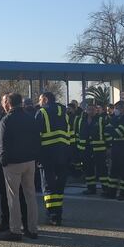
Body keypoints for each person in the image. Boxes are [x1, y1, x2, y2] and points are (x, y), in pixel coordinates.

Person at [0, 93, 40, 242]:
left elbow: (3, 142)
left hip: (13, 163)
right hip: (30, 161)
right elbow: (37, 139)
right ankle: (32, 229)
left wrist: (3, 159)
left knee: (13, 197)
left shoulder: (6, 120)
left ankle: (15, 230)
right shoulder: (30, 118)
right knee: (31, 196)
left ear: (8, 104)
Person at [35, 92, 70, 226]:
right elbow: (70, 134)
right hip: (63, 154)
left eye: (39, 99)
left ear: (45, 99)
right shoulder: (64, 113)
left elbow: (36, 136)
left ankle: (52, 215)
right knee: (59, 186)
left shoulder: (42, 112)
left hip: (47, 155)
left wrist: (36, 156)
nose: (39, 102)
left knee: (48, 186)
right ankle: (58, 213)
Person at [78, 104, 110, 197]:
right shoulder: (81, 120)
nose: (90, 111)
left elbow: (106, 133)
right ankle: (91, 188)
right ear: (86, 110)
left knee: (102, 170)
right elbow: (78, 134)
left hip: (99, 149)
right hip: (86, 149)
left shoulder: (101, 120)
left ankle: (106, 189)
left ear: (96, 111)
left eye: (93, 110)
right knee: (88, 170)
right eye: (89, 109)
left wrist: (108, 147)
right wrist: (80, 149)